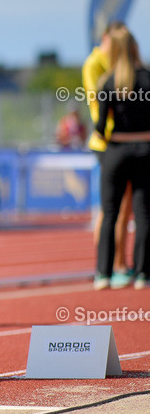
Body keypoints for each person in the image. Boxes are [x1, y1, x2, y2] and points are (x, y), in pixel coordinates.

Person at [92, 27, 150, 290]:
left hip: (116, 150)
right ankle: (142, 273)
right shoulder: (148, 79)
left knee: (110, 212)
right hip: (146, 150)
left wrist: (109, 139)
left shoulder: (107, 81)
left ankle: (103, 273)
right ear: (135, 47)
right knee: (143, 213)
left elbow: (100, 126)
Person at [84, 22, 134, 287]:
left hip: (123, 141)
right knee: (110, 206)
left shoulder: (120, 64)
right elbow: (97, 104)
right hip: (107, 143)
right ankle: (107, 264)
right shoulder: (95, 64)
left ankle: (120, 262)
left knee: (126, 208)